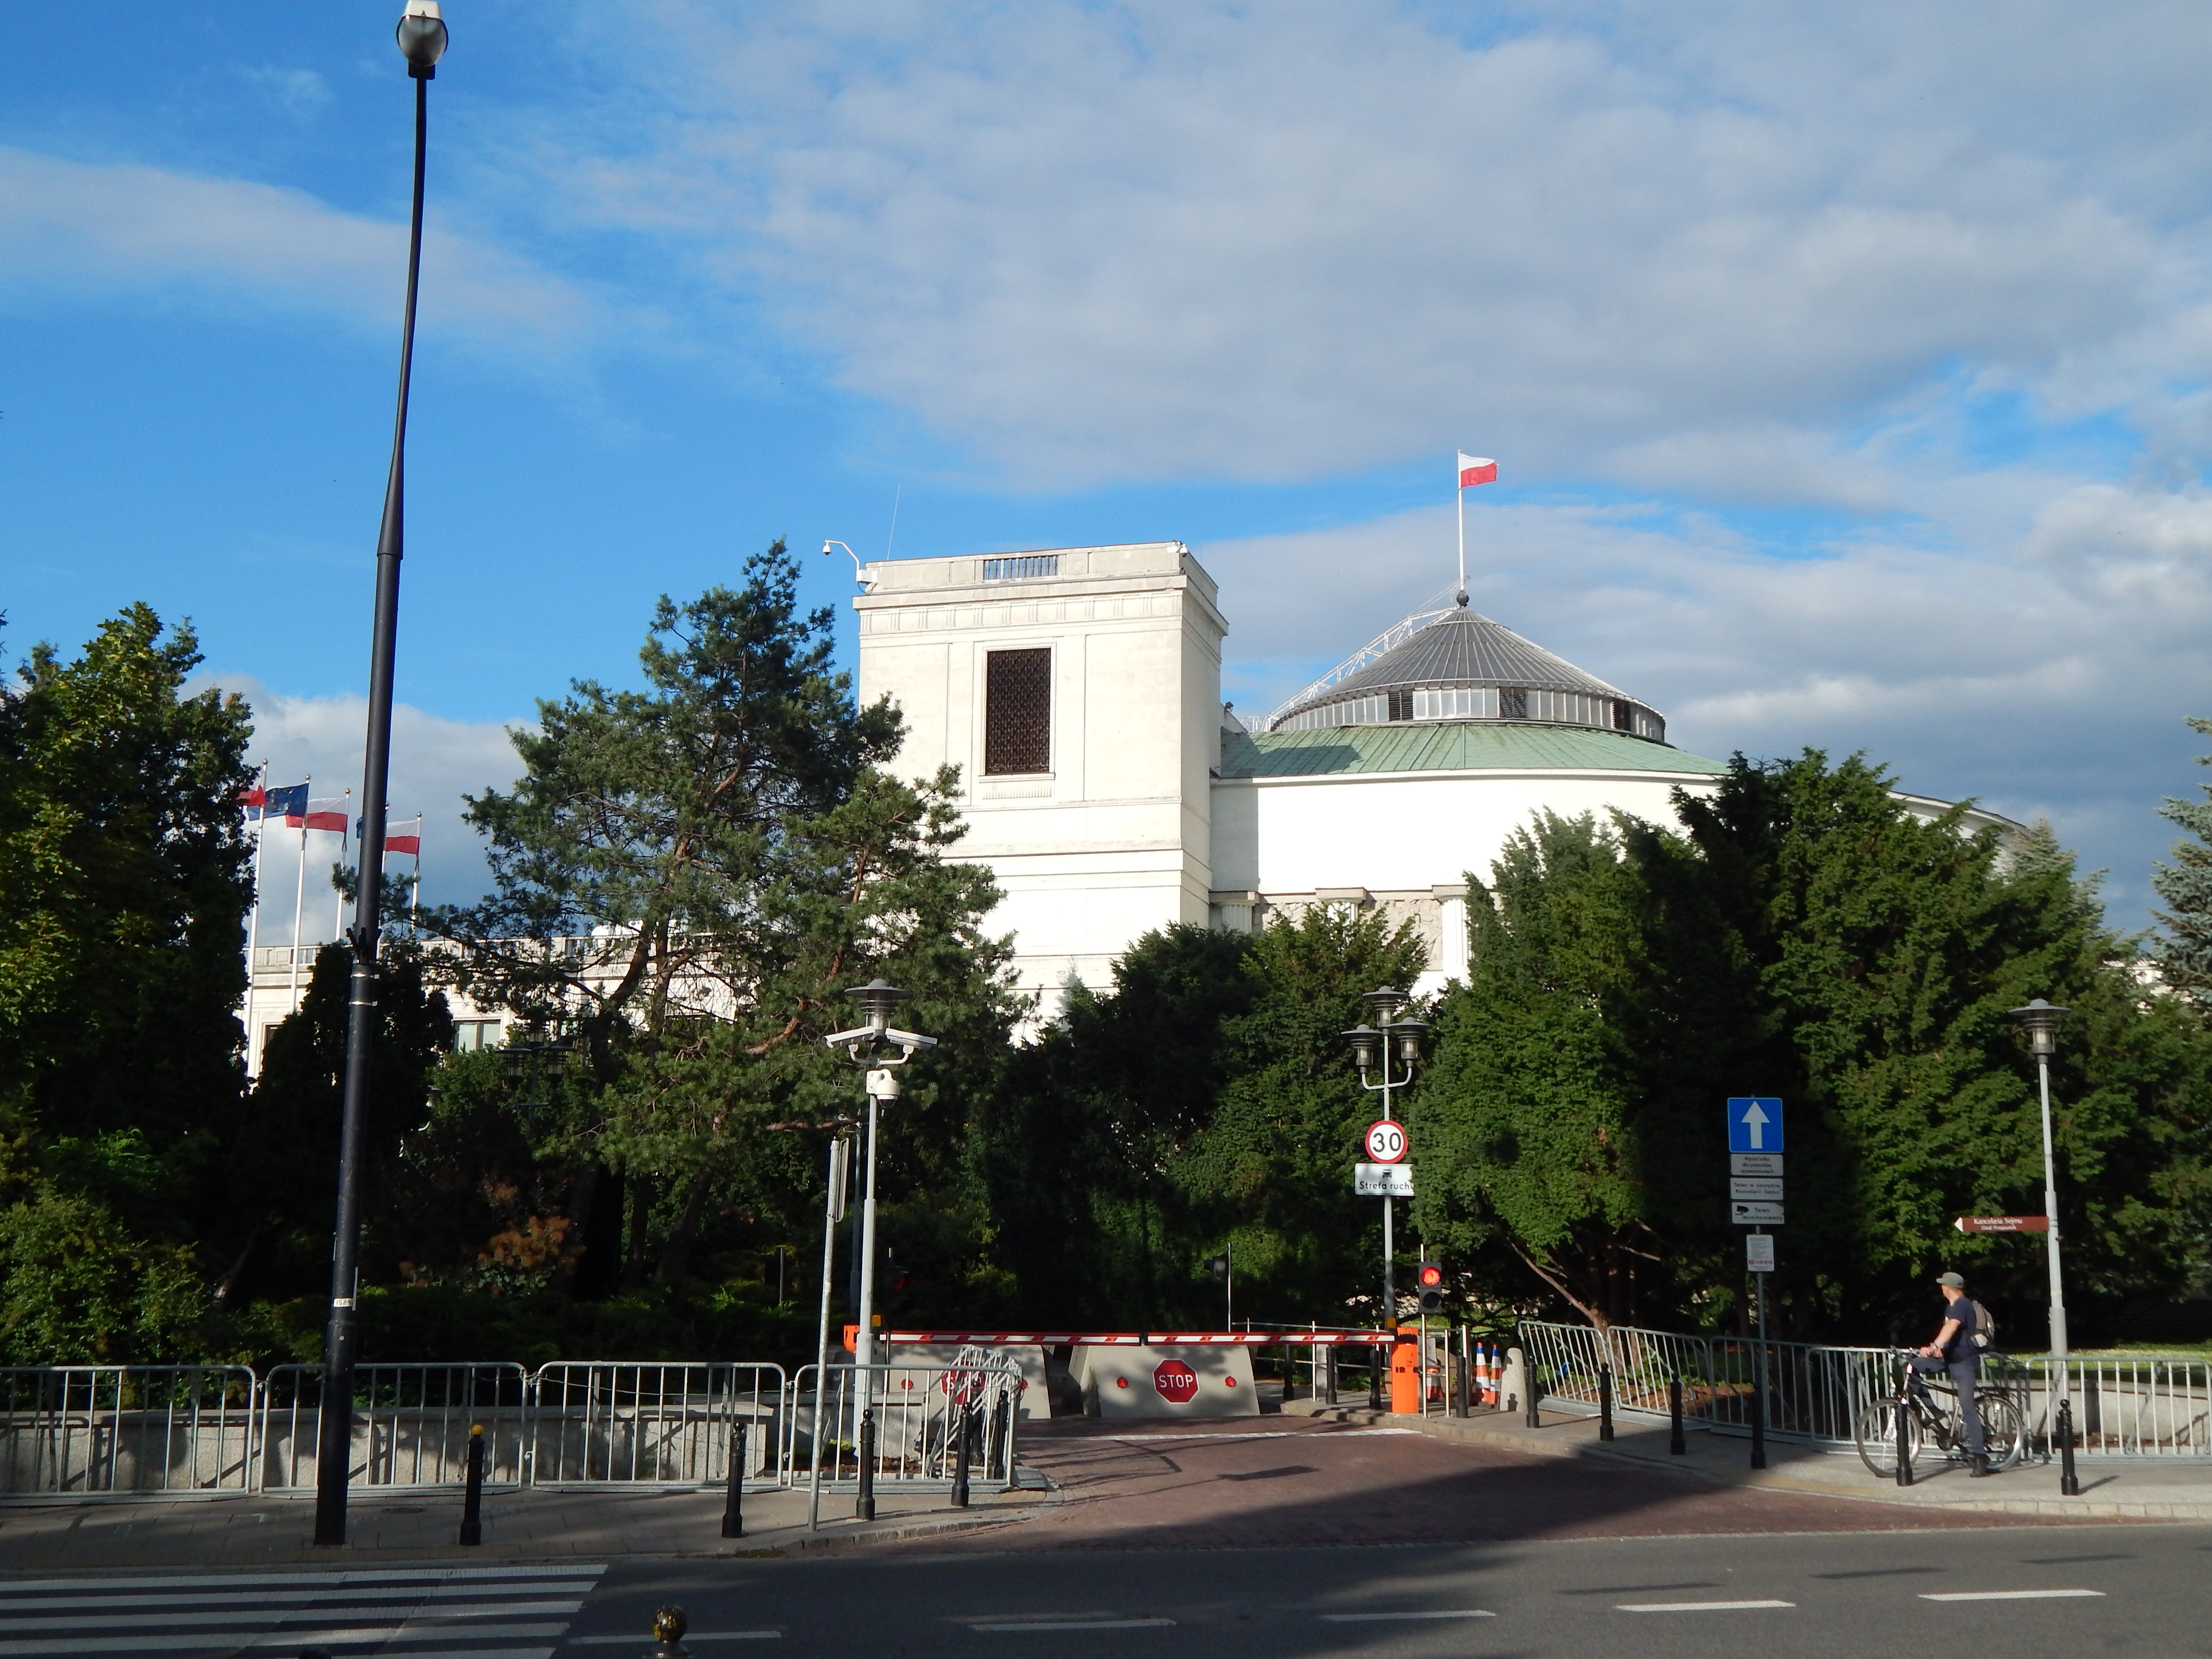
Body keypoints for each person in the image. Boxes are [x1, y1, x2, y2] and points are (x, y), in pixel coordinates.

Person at [1911, 1271, 1990, 1476]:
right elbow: (1951, 1333)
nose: (1941, 1288)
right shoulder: (1951, 1307)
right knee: (1910, 1368)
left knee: (1967, 1405)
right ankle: (1934, 1412)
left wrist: (1934, 1346)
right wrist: (1940, 1349)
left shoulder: (1962, 1305)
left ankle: (1980, 1456)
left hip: (1964, 1363)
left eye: (1943, 1285)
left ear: (1948, 1287)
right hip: (1947, 1359)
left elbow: (1953, 1327)